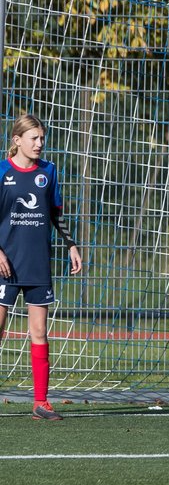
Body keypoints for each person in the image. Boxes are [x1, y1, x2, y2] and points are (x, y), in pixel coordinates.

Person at [0, 114, 83, 420]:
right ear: (17, 140)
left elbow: (56, 213)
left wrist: (71, 245)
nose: (39, 143)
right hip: (5, 265)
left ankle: (40, 403)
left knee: (39, 332)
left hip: (37, 263)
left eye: (42, 138)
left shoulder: (48, 171)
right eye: (33, 138)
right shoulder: (1, 171)